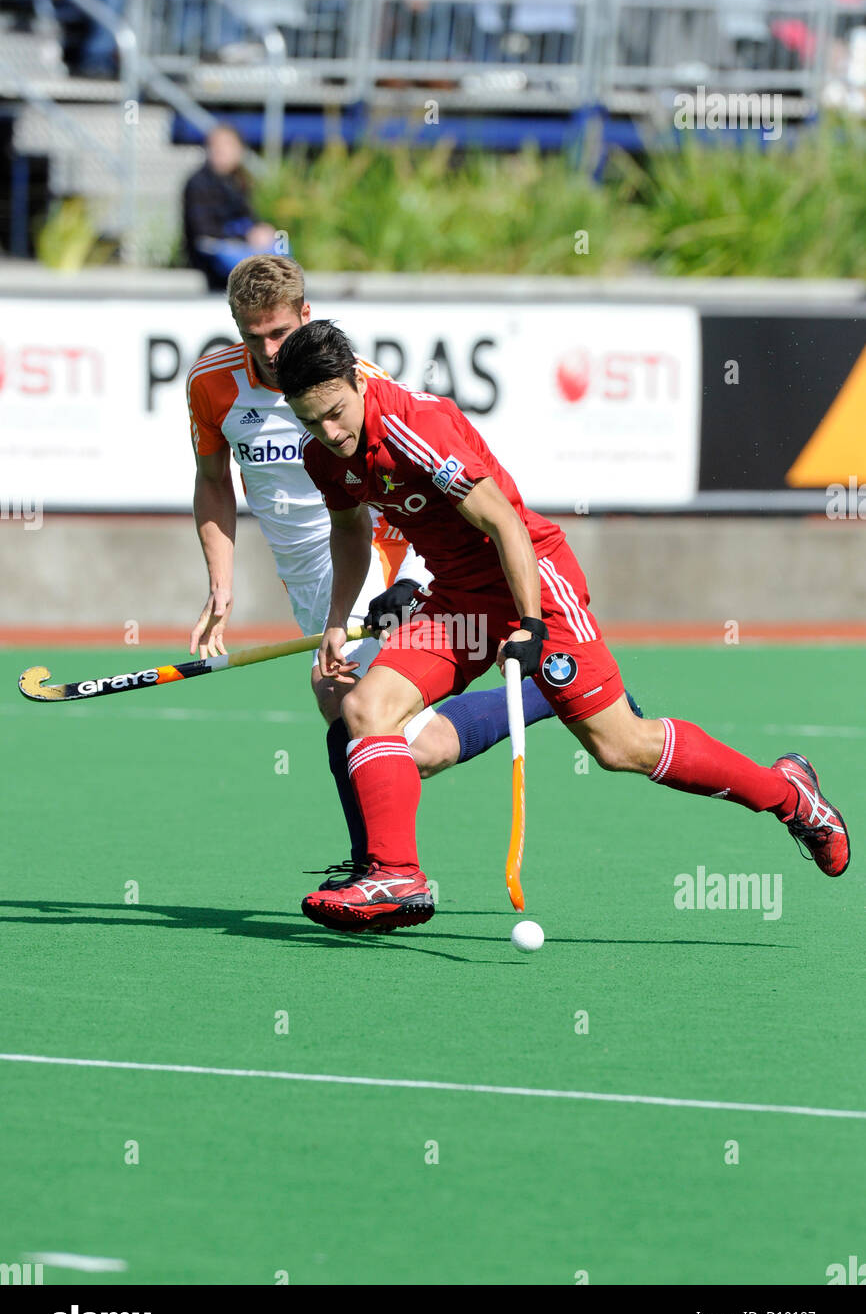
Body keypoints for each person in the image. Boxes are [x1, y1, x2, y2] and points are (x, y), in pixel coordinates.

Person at [273, 320, 851, 935]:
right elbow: (350, 530)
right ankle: (396, 876)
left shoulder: (415, 426)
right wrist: (337, 621)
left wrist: (528, 624)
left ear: (359, 380)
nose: (330, 433)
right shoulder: (324, 456)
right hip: (458, 600)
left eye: (336, 413)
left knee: (620, 746)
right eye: (312, 422)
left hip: (534, 583)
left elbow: (505, 523)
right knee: (365, 708)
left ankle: (791, 796)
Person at [186, 255, 586, 892]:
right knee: (359, 721)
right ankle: (379, 859)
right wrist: (221, 582)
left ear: (305, 317)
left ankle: (385, 868)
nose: (265, 349)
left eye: (279, 333)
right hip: (309, 584)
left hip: (369, 565)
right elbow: (212, 482)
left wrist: (399, 585)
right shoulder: (211, 385)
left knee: (375, 725)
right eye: (250, 333)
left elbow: (402, 487)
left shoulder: (354, 382)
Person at [182, 126, 280, 292]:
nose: (220, 150)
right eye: (216, 145)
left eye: (227, 145)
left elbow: (249, 217)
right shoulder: (198, 183)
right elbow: (204, 233)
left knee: (279, 251)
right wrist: (245, 236)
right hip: (214, 250)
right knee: (251, 267)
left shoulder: (238, 181)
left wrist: (260, 230)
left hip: (238, 243)